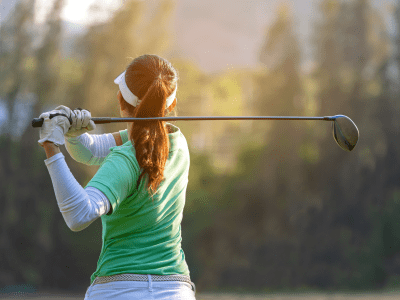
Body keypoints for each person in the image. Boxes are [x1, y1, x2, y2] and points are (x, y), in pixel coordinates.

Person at [38, 54, 196, 299]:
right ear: (171, 105)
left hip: (118, 290)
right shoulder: (178, 143)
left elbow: (78, 214)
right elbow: (90, 151)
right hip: (175, 291)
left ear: (121, 100)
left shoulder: (125, 158)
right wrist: (73, 135)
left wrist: (51, 145)